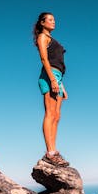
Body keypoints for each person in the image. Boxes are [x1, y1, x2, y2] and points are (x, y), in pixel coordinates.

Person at [33, 12, 70, 166]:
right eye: (50, 20)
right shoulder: (43, 36)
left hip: (57, 77)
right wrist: (53, 79)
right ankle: (50, 153)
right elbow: (44, 59)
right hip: (50, 76)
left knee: (57, 115)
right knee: (50, 113)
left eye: (54, 19)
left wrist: (61, 85)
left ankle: (54, 150)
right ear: (42, 22)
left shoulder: (52, 38)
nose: (53, 22)